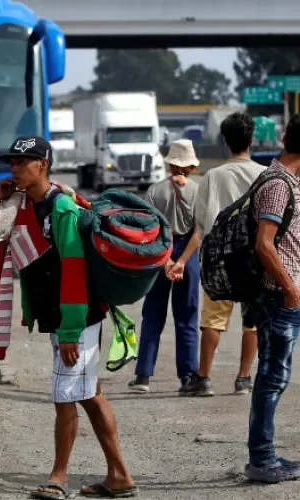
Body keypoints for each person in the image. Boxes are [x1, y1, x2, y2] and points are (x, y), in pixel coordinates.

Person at [0, 136, 136, 500]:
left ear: (44, 165)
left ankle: (58, 477)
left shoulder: (63, 209)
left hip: (77, 319)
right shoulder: (20, 205)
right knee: (89, 395)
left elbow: (74, 270)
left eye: (24, 162)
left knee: (65, 396)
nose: (15, 168)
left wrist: (70, 329)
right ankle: (120, 477)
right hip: (61, 318)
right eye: (13, 163)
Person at [186, 112, 300, 397]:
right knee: (252, 321)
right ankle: (244, 377)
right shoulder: (268, 175)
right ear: (251, 141)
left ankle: (203, 378)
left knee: (213, 321)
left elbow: (200, 220)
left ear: (225, 142)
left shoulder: (212, 177)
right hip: (257, 262)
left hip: (223, 264)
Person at [244, 113, 300, 483]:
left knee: (272, 376)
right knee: (271, 377)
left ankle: (267, 454)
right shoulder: (278, 184)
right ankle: (262, 460)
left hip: (277, 294)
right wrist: (292, 289)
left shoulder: (281, 178)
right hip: (278, 296)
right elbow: (264, 244)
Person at [128, 139, 201, 394]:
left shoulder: (154, 191)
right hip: (188, 257)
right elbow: (199, 232)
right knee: (187, 318)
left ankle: (143, 376)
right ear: (191, 166)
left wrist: (167, 259)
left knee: (153, 316)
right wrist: (181, 262)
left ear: (170, 164)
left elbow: (148, 230)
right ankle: (189, 376)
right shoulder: (199, 191)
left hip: (159, 252)